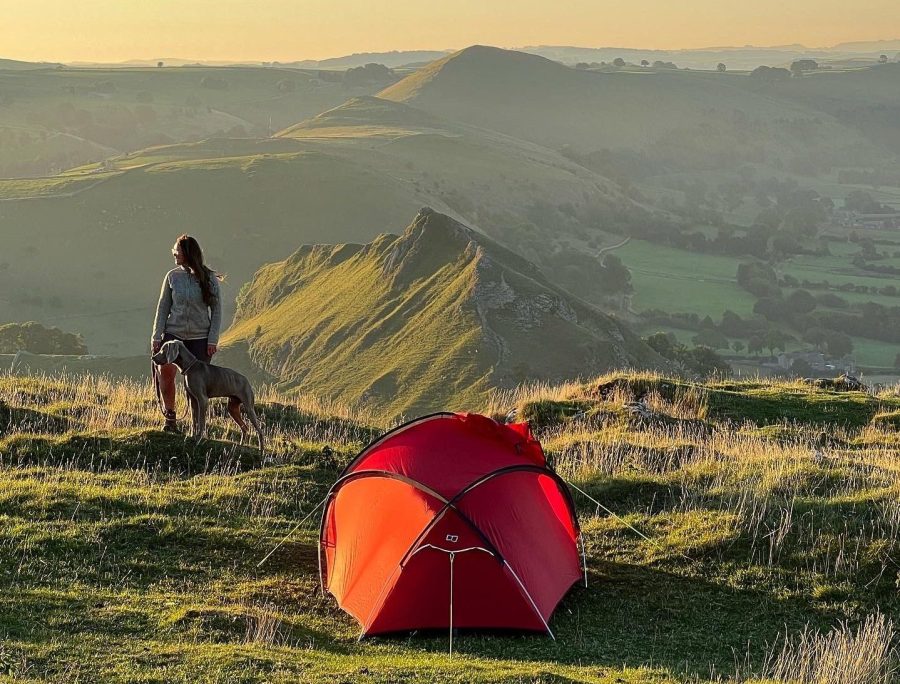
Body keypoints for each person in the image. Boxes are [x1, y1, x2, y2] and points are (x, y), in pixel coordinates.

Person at [151, 234, 223, 432]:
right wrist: (157, 336)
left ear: (188, 253)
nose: (174, 254)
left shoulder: (209, 278)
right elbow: (163, 307)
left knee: (196, 384)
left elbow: (217, 311)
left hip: (200, 337)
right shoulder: (172, 276)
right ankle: (170, 418)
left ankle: (197, 427)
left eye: (178, 251)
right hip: (174, 333)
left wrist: (212, 339)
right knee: (164, 372)